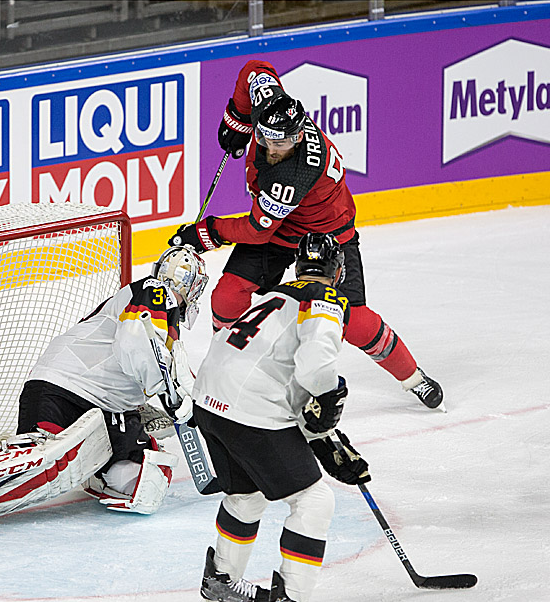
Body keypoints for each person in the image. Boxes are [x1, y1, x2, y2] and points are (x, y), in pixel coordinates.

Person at [169, 60, 443, 410]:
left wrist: (206, 233)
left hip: (327, 235)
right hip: (278, 226)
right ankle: (225, 366)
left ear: (299, 136)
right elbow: (255, 69)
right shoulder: (272, 104)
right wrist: (237, 119)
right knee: (227, 295)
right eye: (266, 137)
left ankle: (413, 378)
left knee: (354, 321)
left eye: (282, 142)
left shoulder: (295, 172)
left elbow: (255, 229)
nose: (272, 147)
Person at [0, 246, 209, 534]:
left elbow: (154, 362)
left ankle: (96, 469)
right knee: (46, 461)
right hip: (65, 389)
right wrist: (169, 395)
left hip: (103, 408)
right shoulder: (156, 291)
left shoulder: (166, 320)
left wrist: (147, 405)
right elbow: (134, 344)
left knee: (147, 480)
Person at [191, 232, 372, 602]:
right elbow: (313, 372)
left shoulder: (272, 295)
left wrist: (321, 434)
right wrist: (328, 399)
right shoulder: (326, 300)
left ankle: (221, 583)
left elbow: (280, 374)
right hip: (249, 409)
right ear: (338, 271)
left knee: (245, 495)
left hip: (209, 400)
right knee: (313, 499)